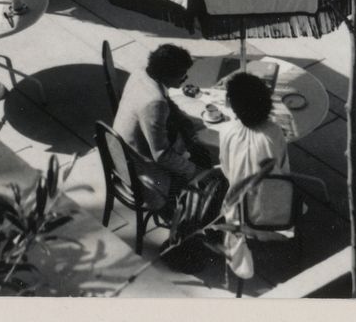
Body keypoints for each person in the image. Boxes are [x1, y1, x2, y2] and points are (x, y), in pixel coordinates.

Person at [217, 70, 292, 295]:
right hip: (276, 212)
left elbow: (227, 169)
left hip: (239, 214)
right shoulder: (275, 131)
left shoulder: (226, 131)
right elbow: (283, 169)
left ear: (233, 106)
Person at [111, 44, 202, 207]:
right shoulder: (154, 102)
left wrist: (182, 119)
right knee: (202, 178)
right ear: (167, 75)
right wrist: (195, 171)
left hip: (122, 149)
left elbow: (165, 97)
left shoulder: (142, 73)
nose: (185, 78)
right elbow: (161, 155)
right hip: (140, 171)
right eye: (182, 74)